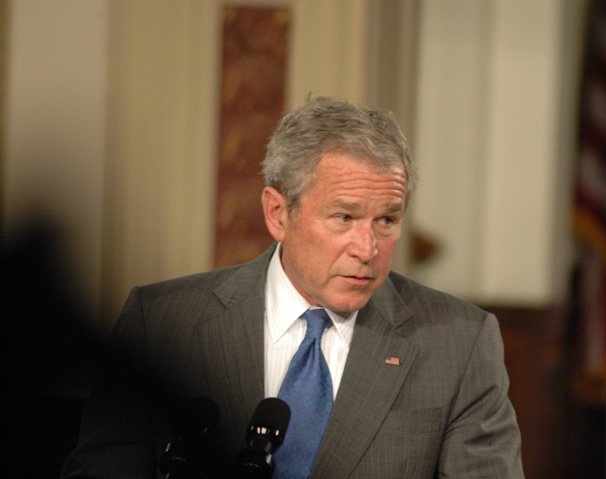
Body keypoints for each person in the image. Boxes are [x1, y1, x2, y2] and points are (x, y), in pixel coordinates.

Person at [61, 97, 524, 478]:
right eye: (344, 217)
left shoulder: (459, 343)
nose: (368, 247)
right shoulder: (162, 321)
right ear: (278, 214)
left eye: (387, 220)